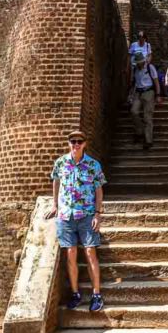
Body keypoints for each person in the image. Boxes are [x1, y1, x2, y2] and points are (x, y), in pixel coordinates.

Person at [45, 130, 107, 312]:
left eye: (79, 141)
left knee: (90, 253)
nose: (76, 144)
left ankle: (96, 295)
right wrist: (55, 204)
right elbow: (55, 182)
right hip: (66, 216)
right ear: (69, 143)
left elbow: (99, 190)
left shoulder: (93, 165)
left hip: (87, 215)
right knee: (70, 255)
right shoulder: (61, 163)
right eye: (73, 141)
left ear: (85, 144)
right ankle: (75, 294)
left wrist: (97, 213)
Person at [129, 51, 162, 149]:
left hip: (149, 92)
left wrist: (158, 95)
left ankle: (148, 140)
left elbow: (156, 81)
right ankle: (139, 131)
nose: (139, 64)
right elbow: (133, 82)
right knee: (133, 112)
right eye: (137, 62)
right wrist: (130, 94)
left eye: (140, 62)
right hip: (138, 93)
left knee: (147, 117)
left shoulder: (150, 67)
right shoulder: (135, 69)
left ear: (143, 61)